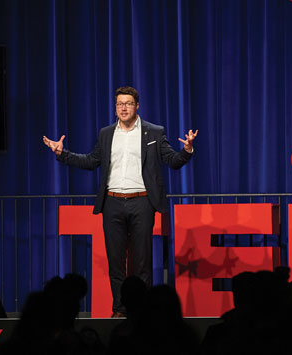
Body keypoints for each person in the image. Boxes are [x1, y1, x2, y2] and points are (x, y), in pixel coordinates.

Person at [43, 86, 196, 317]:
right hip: (112, 203)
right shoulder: (106, 133)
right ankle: (120, 310)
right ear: (115, 108)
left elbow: (173, 161)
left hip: (142, 202)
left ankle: (142, 310)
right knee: (116, 262)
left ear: (137, 106)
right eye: (119, 104)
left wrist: (187, 150)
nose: (123, 108)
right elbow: (92, 160)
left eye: (128, 103)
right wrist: (63, 154)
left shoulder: (153, 132)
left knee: (142, 262)